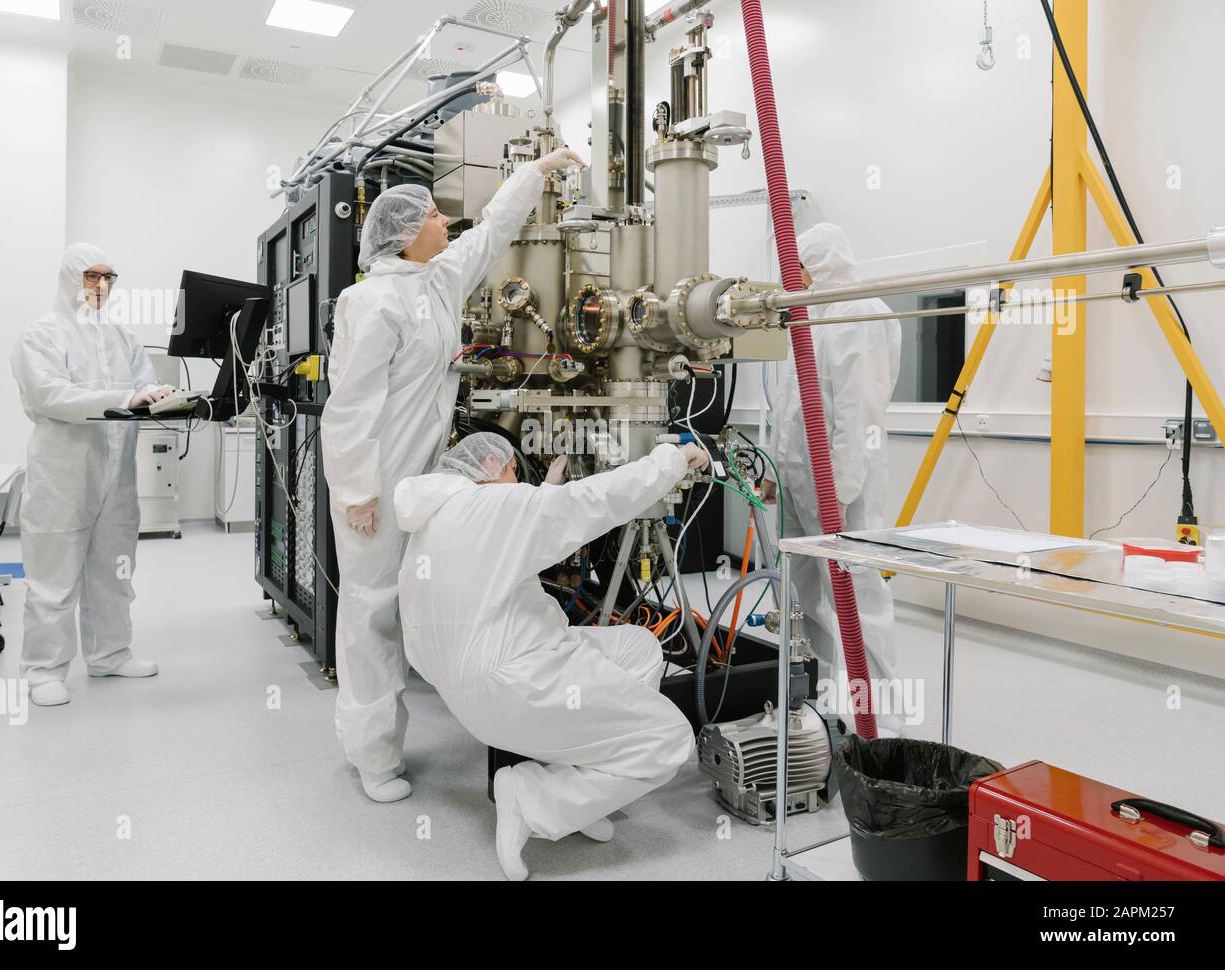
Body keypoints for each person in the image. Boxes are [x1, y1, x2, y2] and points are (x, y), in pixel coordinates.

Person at [320, 147, 587, 803]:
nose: (445, 222)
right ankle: (373, 755)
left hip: (428, 479)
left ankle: (471, 712)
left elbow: (494, 229)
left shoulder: (435, 283)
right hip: (378, 481)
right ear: (407, 234)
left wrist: (537, 170)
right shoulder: (371, 302)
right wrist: (355, 492)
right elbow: (349, 407)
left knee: (425, 596)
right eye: (435, 215)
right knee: (372, 612)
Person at [394, 433, 710, 880]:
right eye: (512, 473)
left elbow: (501, 539)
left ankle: (584, 791)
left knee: (637, 647)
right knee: (669, 740)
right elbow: (595, 500)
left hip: (469, 689)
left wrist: (544, 497)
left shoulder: (437, 516)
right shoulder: (492, 509)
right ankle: (534, 800)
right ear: (489, 462)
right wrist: (671, 460)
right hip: (518, 684)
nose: (516, 483)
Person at [10, 243, 173, 707]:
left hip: (116, 474)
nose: (101, 285)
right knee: (54, 576)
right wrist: (128, 396)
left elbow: (142, 385)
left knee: (114, 570)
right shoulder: (41, 334)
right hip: (63, 472)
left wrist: (161, 396)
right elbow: (50, 396)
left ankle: (110, 654)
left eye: (108, 277)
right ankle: (43, 670)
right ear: (69, 279)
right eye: (90, 276)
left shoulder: (123, 337)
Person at [762, 223, 903, 731]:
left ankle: (882, 714)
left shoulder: (857, 313)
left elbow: (858, 410)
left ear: (819, 265)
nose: (788, 276)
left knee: (857, 594)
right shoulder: (806, 315)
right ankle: (819, 697)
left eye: (796, 265)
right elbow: (788, 404)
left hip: (842, 486)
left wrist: (838, 489)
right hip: (799, 479)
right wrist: (776, 471)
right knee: (802, 593)